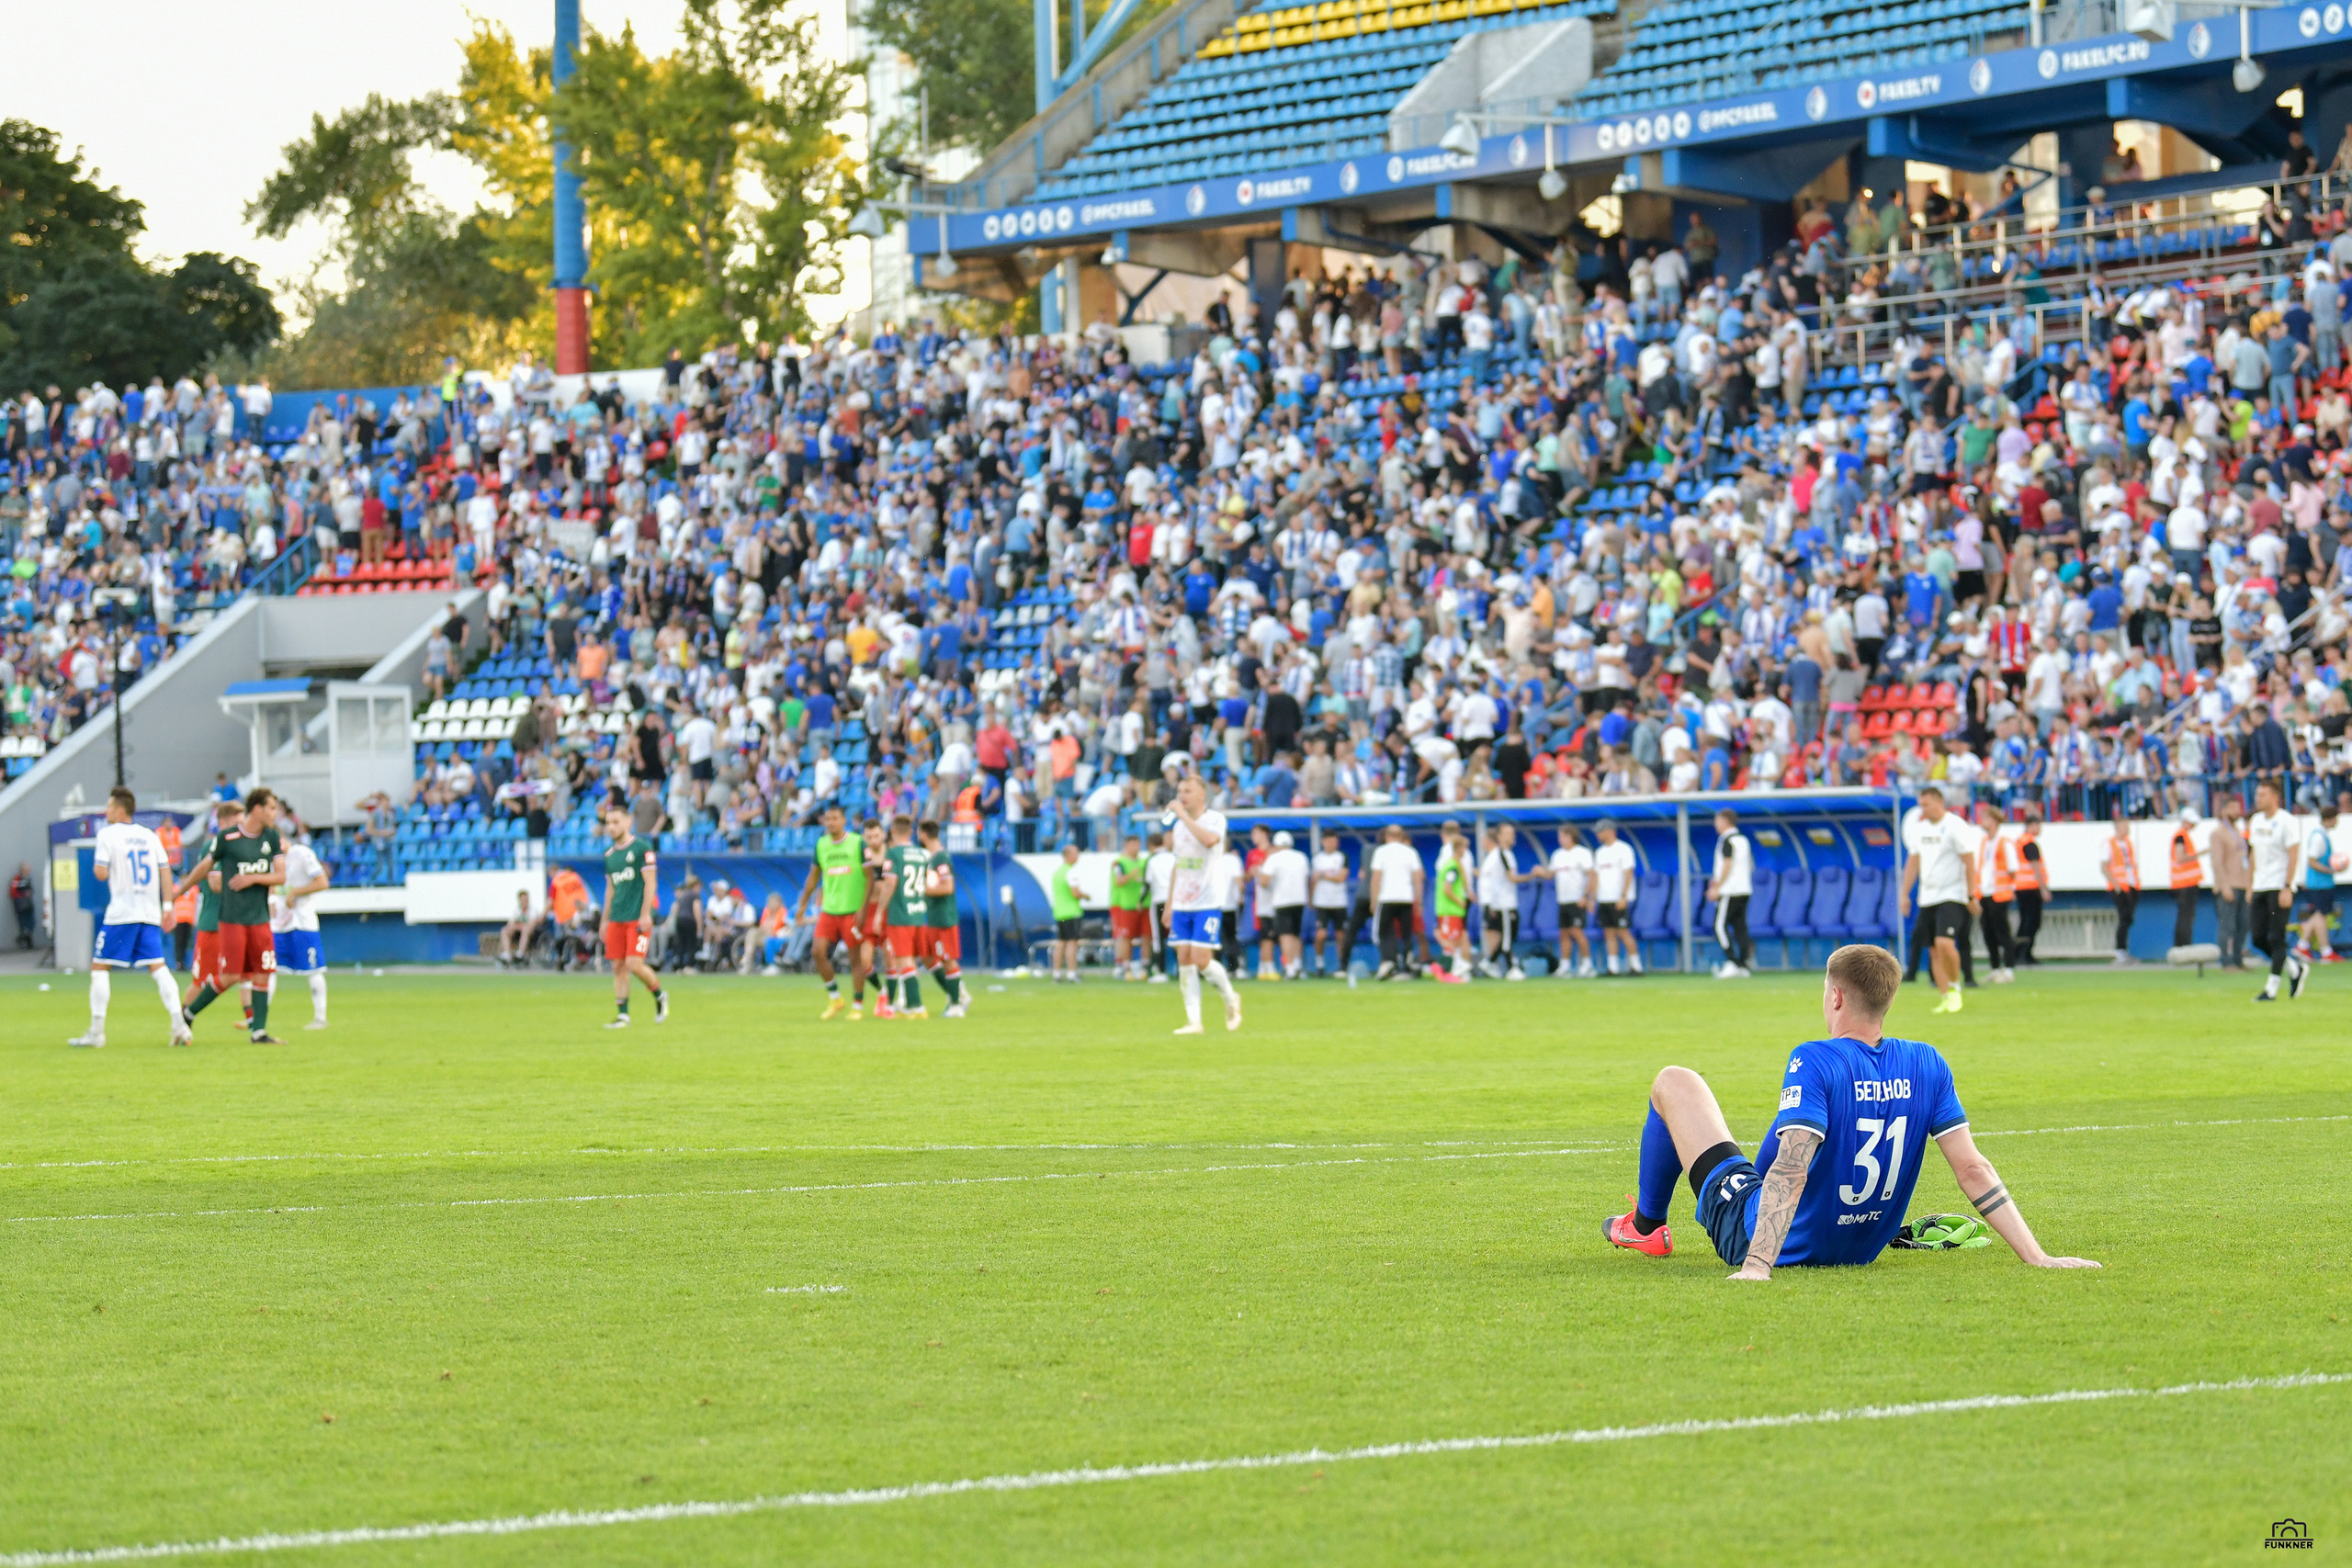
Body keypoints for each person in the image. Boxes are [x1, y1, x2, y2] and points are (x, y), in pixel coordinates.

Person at [1602, 944, 2100, 1278]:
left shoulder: (1814, 1057)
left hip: (1777, 1240)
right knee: (1788, 1133)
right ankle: (1661, 1223)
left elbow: (1792, 1167)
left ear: (1835, 996)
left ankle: (1646, 1227)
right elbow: (1972, 1168)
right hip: (1861, 1247)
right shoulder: (1928, 1061)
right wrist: (2038, 1257)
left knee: (1675, 1082)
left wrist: (1756, 1265)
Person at [71, 787, 187, 1048]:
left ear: (120, 809)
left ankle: (97, 1033)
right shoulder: (149, 836)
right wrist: (168, 906)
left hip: (122, 913)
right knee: (158, 967)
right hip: (149, 912)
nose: (106, 810)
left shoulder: (107, 834)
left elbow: (100, 873)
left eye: (110, 806)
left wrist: (106, 867)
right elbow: (165, 871)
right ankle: (180, 1026)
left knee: (100, 967)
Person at [173, 788, 289, 1044]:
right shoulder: (227, 838)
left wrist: (253, 878)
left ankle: (258, 1032)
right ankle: (188, 1015)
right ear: (257, 809)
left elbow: (281, 876)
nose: (275, 813)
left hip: (259, 918)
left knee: (262, 973)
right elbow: (205, 868)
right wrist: (179, 890)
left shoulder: (271, 836)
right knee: (230, 977)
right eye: (271, 808)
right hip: (232, 919)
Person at [1166, 771, 1244, 1032]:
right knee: (1184, 958)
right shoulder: (1178, 827)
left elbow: (1209, 841)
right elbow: (1178, 865)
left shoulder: (1214, 820)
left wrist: (1184, 816)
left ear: (1201, 795)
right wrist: (1169, 903)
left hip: (1207, 900)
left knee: (1201, 958)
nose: (1181, 796)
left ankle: (1230, 997)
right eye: (1179, 792)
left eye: (1187, 792)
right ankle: (1194, 1021)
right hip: (1182, 902)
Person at [1897, 786, 1980, 1014]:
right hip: (1928, 897)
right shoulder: (1920, 830)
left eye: (1926, 805)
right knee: (1934, 950)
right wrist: (1904, 893)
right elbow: (1913, 863)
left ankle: (1955, 988)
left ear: (1938, 802)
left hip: (1952, 895)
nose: (1922, 810)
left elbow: (1969, 860)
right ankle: (1945, 996)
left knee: (1945, 943)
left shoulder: (1955, 826)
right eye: (1920, 805)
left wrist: (1971, 894)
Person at [796, 803, 872, 1020]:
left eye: (835, 819)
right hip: (829, 910)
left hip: (851, 910)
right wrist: (802, 905)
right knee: (817, 952)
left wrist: (863, 908)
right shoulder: (821, 845)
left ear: (843, 820)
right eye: (827, 819)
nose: (831, 823)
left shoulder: (857, 843)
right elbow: (813, 877)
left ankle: (857, 1006)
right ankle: (835, 998)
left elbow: (870, 878)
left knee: (855, 959)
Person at [597, 800, 669, 1028]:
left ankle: (659, 994)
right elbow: (610, 889)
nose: (611, 827)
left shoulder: (642, 849)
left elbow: (651, 883)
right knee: (617, 966)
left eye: (616, 822)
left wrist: (646, 914)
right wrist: (604, 920)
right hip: (617, 917)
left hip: (636, 917)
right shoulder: (609, 855)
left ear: (628, 822)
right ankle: (623, 1016)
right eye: (608, 823)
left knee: (634, 964)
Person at [2246, 780, 2309, 1002]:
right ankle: (2294, 968)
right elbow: (2253, 854)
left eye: (2262, 794)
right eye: (2257, 794)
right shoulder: (2255, 821)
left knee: (2277, 936)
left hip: (2279, 885)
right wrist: (2250, 884)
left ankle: (2271, 989)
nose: (2258, 798)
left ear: (2275, 797)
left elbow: (2293, 854)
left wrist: (2287, 886)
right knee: (2258, 937)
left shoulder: (2286, 822)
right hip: (2261, 885)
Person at [269, 829, 332, 1030]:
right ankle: (258, 1020)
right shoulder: (271, 859)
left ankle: (320, 1018)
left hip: (303, 921)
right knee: (268, 969)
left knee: (314, 969)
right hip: (278, 923)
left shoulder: (302, 854)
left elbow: (322, 882)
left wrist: (297, 891)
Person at [878, 817, 933, 1015]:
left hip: (900, 915)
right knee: (911, 961)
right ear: (911, 831)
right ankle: (911, 1005)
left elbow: (889, 884)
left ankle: (917, 1006)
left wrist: (878, 913)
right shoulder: (923, 853)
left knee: (904, 961)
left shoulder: (893, 853)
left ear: (892, 831)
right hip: (919, 913)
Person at [916, 819, 968, 1017]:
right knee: (927, 956)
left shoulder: (941, 858)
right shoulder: (933, 858)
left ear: (923, 834)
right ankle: (957, 992)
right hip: (933, 917)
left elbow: (947, 887)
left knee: (948, 959)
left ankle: (956, 1004)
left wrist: (924, 890)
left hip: (944, 918)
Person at [1368, 824, 1425, 981]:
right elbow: (1418, 879)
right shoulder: (1411, 852)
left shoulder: (1381, 852)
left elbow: (1376, 878)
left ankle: (1389, 960)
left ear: (1387, 836)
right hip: (1406, 898)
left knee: (1385, 931)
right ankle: (1407, 962)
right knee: (1406, 933)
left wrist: (1374, 899)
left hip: (1387, 898)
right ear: (1401, 836)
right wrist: (1419, 901)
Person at [1476, 822, 1532, 980]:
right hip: (1504, 903)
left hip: (1501, 902)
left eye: (1513, 833)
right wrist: (1533, 875)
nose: (1512, 836)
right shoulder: (1503, 855)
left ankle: (1490, 962)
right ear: (1499, 836)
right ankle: (1509, 968)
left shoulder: (1501, 855)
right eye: (1508, 833)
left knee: (1508, 936)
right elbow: (1512, 878)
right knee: (1507, 937)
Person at [2297, 802, 2350, 964]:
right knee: (2321, 915)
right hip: (2319, 884)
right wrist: (2331, 870)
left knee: (2319, 915)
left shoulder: (2321, 835)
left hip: (2319, 883)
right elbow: (2312, 861)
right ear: (2330, 818)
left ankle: (2303, 945)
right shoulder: (2319, 837)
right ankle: (2325, 950)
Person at [1257, 829, 1311, 980]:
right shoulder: (1301, 857)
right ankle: (1298, 964)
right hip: (1300, 899)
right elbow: (1307, 879)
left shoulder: (1274, 858)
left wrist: (1259, 873)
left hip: (1282, 901)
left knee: (1285, 935)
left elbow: (1264, 882)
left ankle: (1290, 967)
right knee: (1295, 934)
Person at [1706, 808, 1754, 978]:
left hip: (1730, 890)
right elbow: (1751, 864)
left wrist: (1716, 887)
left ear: (1725, 821)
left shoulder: (1726, 840)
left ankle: (1732, 962)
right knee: (1740, 927)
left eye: (1717, 821)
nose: (1715, 825)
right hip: (1745, 889)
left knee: (1719, 926)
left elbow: (1727, 864)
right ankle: (1743, 964)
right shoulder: (1743, 840)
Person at [1974, 801, 2018, 984]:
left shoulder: (2005, 842)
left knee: (2002, 932)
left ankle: (2008, 969)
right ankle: (1994, 968)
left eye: (1985, 818)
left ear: (1994, 820)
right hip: (1984, 892)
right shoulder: (1984, 842)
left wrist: (2009, 887)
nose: (1981, 821)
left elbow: (2012, 869)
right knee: (1988, 932)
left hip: (1999, 894)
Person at [1592, 818, 1641, 976]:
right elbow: (1596, 877)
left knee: (1623, 931)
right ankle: (1613, 967)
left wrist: (1623, 896)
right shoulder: (1599, 853)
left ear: (1609, 831)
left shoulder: (1624, 849)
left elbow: (1629, 873)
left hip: (1619, 898)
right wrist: (1593, 898)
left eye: (1600, 832)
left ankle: (1636, 966)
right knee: (1608, 932)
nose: (1598, 835)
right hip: (1604, 898)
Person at [2210, 795, 2251, 969]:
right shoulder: (2218, 833)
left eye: (2238, 808)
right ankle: (2226, 962)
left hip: (2242, 883)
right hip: (2228, 885)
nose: (2237, 812)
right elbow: (2217, 862)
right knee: (2228, 926)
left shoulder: (2238, 832)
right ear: (2224, 810)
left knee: (2243, 925)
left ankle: (2238, 960)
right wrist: (2224, 886)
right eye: (2232, 808)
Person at [1549, 825, 1596, 978]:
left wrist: (1587, 896)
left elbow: (1592, 875)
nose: (1560, 839)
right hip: (1563, 900)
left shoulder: (1582, 853)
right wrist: (1537, 872)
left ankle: (1587, 964)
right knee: (1564, 934)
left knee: (1577, 932)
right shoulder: (1557, 855)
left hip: (1577, 900)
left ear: (1570, 837)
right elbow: (1550, 874)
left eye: (1562, 836)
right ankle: (1565, 966)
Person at [1430, 821, 1475, 984]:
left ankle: (1455, 967)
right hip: (1451, 905)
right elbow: (1447, 887)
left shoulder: (1450, 859)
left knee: (1455, 937)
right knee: (1454, 937)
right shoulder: (1453, 863)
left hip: (1453, 905)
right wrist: (1465, 895)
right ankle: (1448, 966)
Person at [2099, 813, 2141, 966]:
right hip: (2119, 887)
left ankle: (2124, 951)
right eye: (2124, 826)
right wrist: (2116, 884)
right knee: (2124, 917)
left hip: (2132, 885)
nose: (2127, 829)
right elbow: (2104, 866)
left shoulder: (2128, 843)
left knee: (2129, 918)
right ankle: (2120, 951)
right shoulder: (2109, 844)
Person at [1108, 833, 1151, 981]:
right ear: (1126, 846)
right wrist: (1130, 876)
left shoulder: (1144, 862)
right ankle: (1124, 967)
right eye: (1133, 844)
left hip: (1144, 904)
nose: (1136, 848)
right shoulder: (1119, 863)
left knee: (1147, 936)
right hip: (1125, 905)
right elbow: (1119, 881)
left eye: (1138, 844)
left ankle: (1146, 966)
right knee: (1126, 936)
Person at [1309, 829, 1351, 978]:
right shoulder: (1317, 859)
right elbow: (1313, 880)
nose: (1331, 843)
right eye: (1328, 840)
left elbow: (1341, 877)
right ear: (1323, 842)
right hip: (1322, 902)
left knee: (1341, 935)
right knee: (1321, 934)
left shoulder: (1342, 857)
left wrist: (1324, 876)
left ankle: (1342, 966)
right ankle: (1320, 963)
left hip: (1339, 902)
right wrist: (1311, 898)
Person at [2165, 808, 2206, 951]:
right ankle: (2183, 946)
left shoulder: (2183, 835)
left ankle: (2182, 946)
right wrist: (2200, 854)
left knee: (2186, 916)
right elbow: (2181, 857)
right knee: (2185, 917)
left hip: (2186, 883)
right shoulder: (2180, 836)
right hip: (2184, 884)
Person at [1049, 840, 1085, 984]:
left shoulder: (1057, 872)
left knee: (1061, 943)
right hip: (1071, 912)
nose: (1078, 857)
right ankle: (1071, 973)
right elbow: (1075, 893)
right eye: (1076, 853)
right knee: (1071, 943)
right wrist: (1086, 895)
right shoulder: (1070, 872)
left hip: (1059, 913)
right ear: (1069, 855)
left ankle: (1057, 973)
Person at [1143, 830, 1175, 984]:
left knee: (1158, 938)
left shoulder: (1152, 860)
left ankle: (1161, 971)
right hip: (1175, 901)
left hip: (1159, 901)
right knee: (1178, 935)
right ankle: (1183, 969)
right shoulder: (1174, 857)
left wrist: (1140, 901)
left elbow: (1147, 884)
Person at [498, 890, 536, 966]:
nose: (524, 901)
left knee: (525, 930)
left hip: (529, 934)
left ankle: (520, 953)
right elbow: (510, 923)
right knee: (505, 930)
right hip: (517, 932)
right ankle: (506, 954)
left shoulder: (532, 910)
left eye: (526, 899)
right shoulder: (516, 910)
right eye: (522, 899)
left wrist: (518, 926)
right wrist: (515, 927)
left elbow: (531, 924)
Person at [11, 861, 37, 948]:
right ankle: (22, 940)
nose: (28, 871)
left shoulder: (28, 879)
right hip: (21, 905)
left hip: (28, 904)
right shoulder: (17, 879)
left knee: (31, 923)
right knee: (23, 923)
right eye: (26, 870)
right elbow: (13, 892)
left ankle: (28, 941)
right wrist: (22, 896)